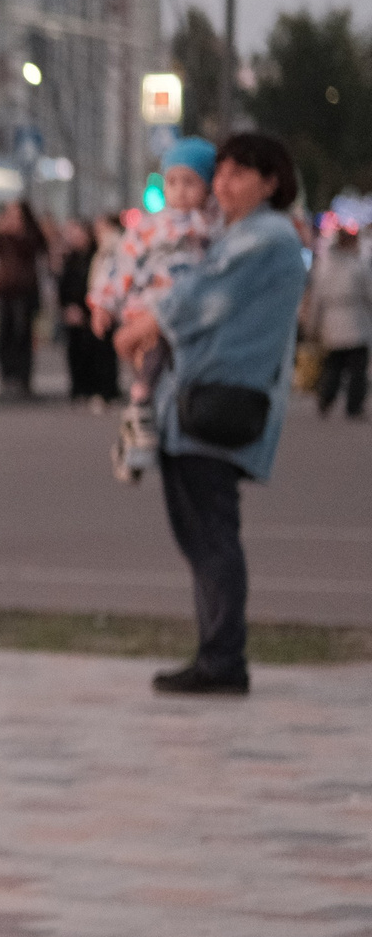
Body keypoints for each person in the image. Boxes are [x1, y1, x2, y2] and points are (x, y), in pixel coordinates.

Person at [116, 134, 311, 695]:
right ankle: (215, 652)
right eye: (219, 173)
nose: (222, 184)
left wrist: (141, 327)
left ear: (270, 181)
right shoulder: (238, 234)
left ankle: (223, 659)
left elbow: (203, 296)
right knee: (200, 533)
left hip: (219, 403)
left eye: (238, 174)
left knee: (212, 534)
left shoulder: (267, 237)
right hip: (197, 401)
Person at [93, 137, 218, 481]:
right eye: (172, 182)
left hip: (192, 313)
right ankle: (139, 403)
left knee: (177, 384)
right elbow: (121, 265)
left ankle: (138, 435)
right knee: (152, 357)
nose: (180, 191)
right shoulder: (149, 226)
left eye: (190, 182)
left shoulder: (212, 225)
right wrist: (103, 304)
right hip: (150, 306)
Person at [306, 224, 370, 420]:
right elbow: (369, 293)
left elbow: (316, 298)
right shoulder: (358, 264)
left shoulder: (324, 265)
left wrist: (312, 324)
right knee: (357, 369)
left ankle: (326, 398)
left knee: (333, 364)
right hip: (355, 319)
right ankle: (353, 405)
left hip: (331, 321)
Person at [0, 201, 50, 396]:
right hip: (6, 290)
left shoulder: (30, 233)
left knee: (23, 333)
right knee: (6, 332)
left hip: (25, 289)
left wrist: (20, 233)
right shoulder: (3, 235)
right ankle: (8, 374)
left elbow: (40, 248)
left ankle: (23, 377)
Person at [56, 218, 120, 404]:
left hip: (94, 310)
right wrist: (67, 307)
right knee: (77, 352)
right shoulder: (71, 258)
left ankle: (104, 390)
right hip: (78, 310)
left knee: (101, 352)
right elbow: (64, 286)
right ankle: (80, 389)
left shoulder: (100, 253)